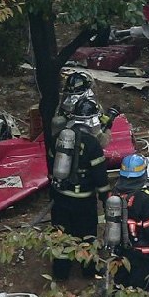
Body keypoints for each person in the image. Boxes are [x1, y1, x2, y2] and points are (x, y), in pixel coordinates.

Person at [49, 97, 111, 281]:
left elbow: (52, 165)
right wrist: (106, 198)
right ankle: (88, 270)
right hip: (84, 199)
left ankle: (60, 273)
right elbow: (101, 177)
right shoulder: (92, 144)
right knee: (87, 235)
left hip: (60, 197)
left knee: (61, 234)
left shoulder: (58, 138)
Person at [111, 154, 149, 291]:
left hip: (119, 250)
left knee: (120, 280)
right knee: (142, 284)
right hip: (141, 253)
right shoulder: (143, 198)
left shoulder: (114, 194)